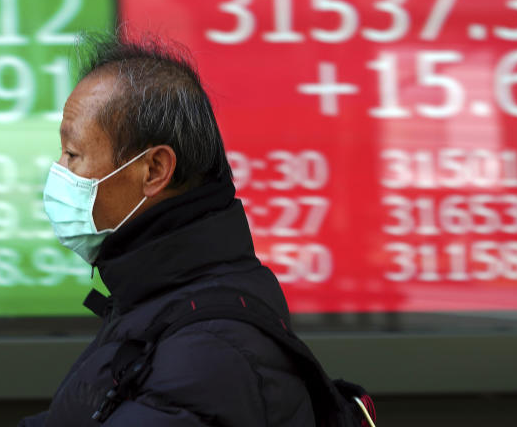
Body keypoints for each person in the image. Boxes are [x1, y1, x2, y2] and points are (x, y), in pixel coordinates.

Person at [20, 33, 315, 426]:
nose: (59, 172)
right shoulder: (162, 299)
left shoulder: (209, 350)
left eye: (73, 154)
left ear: (154, 170)